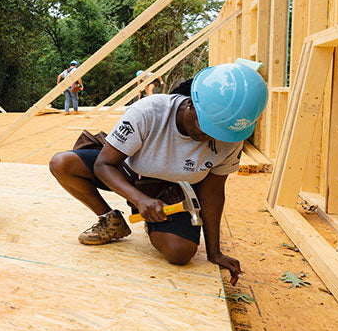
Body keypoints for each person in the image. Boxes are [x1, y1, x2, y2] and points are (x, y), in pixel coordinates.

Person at [47, 61, 265, 284]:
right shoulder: (149, 111)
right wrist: (140, 199)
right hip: (130, 173)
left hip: (175, 190)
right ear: (191, 104)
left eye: (220, 132)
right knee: (62, 163)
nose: (212, 137)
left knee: (180, 253)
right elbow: (104, 165)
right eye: (207, 127)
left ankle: (154, 219)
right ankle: (110, 220)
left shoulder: (230, 135)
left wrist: (214, 251)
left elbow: (213, 193)